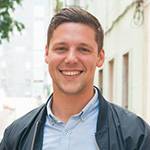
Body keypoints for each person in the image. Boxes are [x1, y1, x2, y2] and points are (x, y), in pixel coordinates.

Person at [0, 7, 150, 150]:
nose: (71, 59)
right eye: (61, 49)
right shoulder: (16, 136)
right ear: (47, 54)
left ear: (100, 57)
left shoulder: (136, 136)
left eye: (83, 49)